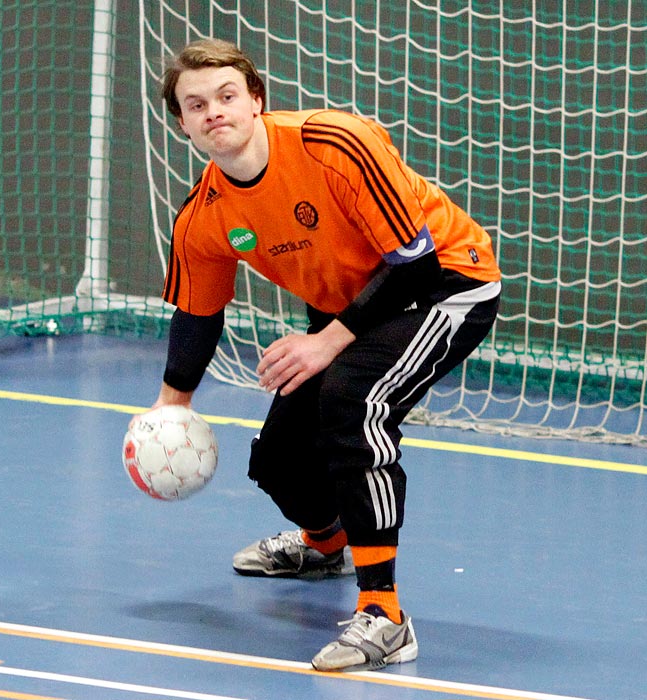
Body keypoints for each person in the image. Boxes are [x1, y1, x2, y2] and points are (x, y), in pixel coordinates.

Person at [148, 38, 501, 672]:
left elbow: (414, 264)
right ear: (182, 123)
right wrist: (167, 416)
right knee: (281, 460)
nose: (215, 112)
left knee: (352, 401)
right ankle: (325, 545)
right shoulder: (202, 216)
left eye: (228, 95)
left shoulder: (333, 144)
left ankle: (385, 616)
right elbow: (198, 313)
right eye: (196, 104)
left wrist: (327, 342)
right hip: (350, 311)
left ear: (256, 100)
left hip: (447, 285)